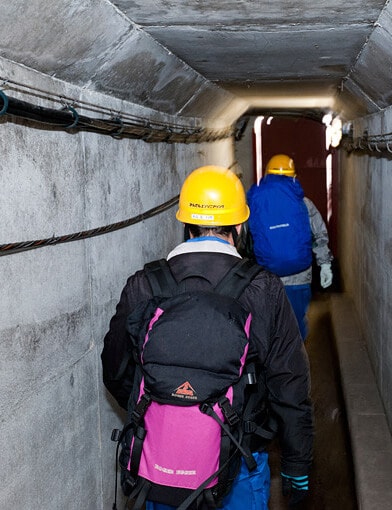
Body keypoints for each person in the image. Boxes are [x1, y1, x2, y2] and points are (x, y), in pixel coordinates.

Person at [101, 165, 314, 509]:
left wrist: (166, 403)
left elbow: (115, 370)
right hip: (237, 461)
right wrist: (297, 464)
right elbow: (289, 385)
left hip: (158, 464)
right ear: (240, 226)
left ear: (186, 225)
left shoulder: (144, 283)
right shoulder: (263, 289)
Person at [245, 154, 334, 340]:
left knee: (270, 324)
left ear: (267, 175)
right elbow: (319, 235)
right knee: (296, 322)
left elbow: (244, 238)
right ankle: (297, 362)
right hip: (299, 275)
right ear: (293, 177)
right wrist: (325, 264)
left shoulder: (253, 203)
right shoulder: (304, 204)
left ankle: (273, 364)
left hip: (267, 275)